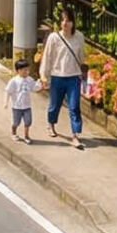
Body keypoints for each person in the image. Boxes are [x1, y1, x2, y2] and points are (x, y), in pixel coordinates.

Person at [40, 8, 88, 149]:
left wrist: (84, 72)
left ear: (73, 22)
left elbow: (81, 57)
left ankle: (75, 135)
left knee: (74, 106)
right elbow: (47, 58)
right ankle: (51, 124)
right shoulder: (54, 38)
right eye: (62, 20)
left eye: (68, 20)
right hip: (57, 76)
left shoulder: (79, 37)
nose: (65, 23)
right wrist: (44, 75)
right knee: (55, 104)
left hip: (73, 77)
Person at [4, 57, 39, 143]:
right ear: (18, 70)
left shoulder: (30, 80)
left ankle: (26, 136)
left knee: (28, 122)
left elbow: (34, 88)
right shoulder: (14, 81)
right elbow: (7, 91)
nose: (26, 72)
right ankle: (14, 133)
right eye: (24, 70)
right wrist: (6, 102)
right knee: (16, 122)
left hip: (27, 106)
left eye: (27, 70)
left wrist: (41, 85)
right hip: (17, 106)